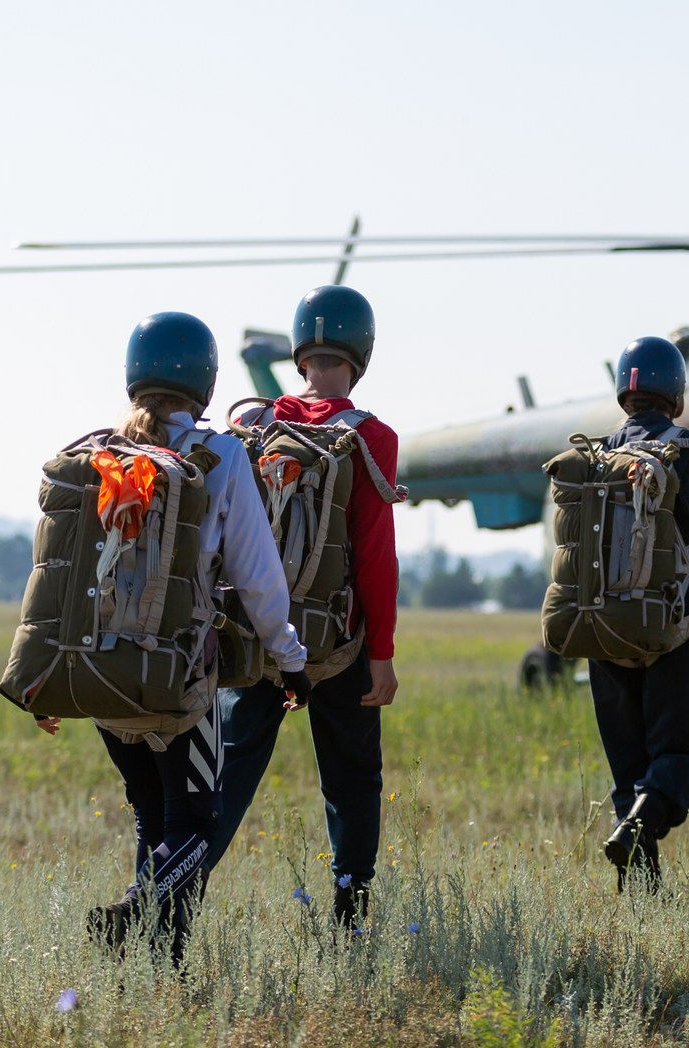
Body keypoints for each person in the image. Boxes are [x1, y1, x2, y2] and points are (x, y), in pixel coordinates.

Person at [48, 311, 308, 960]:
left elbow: (59, 573)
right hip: (177, 676)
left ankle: (161, 968)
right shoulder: (220, 455)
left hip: (99, 674)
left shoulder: (102, 453)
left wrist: (46, 683)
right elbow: (257, 574)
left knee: (153, 817)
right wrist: (289, 658)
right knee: (196, 824)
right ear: (207, 381)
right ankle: (135, 913)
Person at [207, 284, 401, 929]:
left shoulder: (251, 428)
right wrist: (381, 654)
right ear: (361, 351)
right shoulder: (371, 437)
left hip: (254, 635)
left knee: (225, 775)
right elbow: (374, 555)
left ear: (298, 352)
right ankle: (350, 912)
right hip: (336, 641)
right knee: (352, 779)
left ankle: (171, 895)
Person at [593, 336, 689, 894]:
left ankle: (641, 898)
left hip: (604, 629)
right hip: (675, 624)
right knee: (683, 750)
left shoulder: (595, 456)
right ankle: (637, 828)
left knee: (629, 768)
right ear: (676, 393)